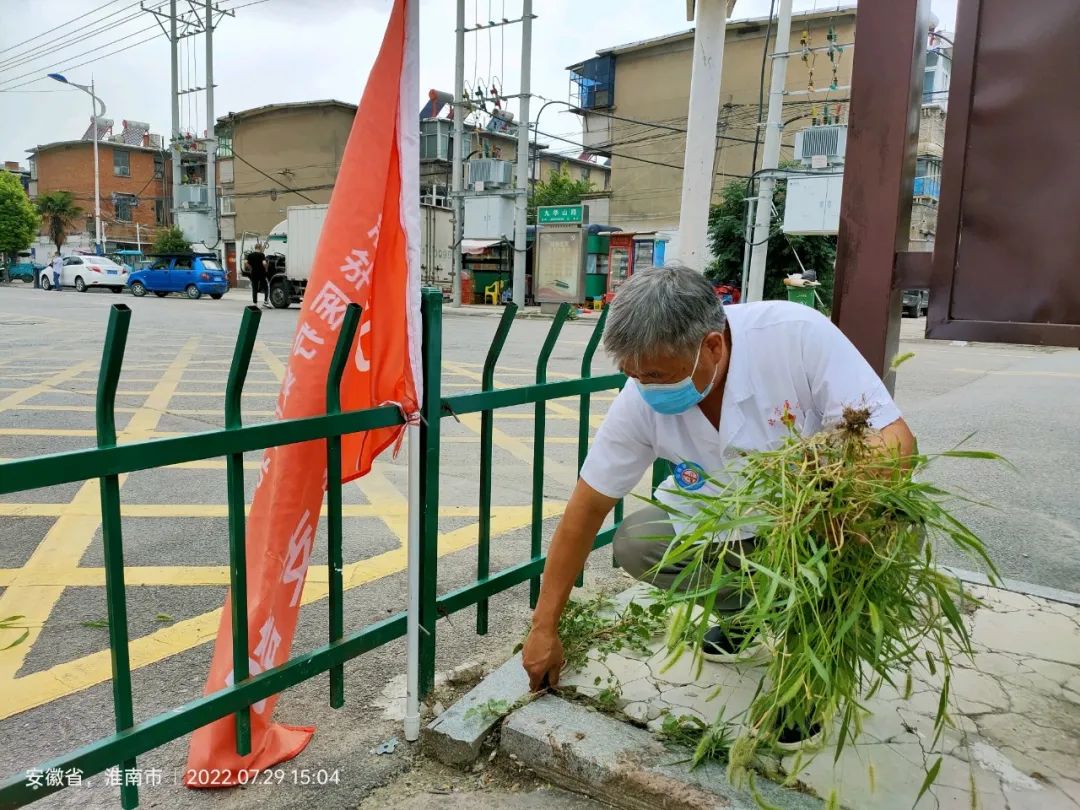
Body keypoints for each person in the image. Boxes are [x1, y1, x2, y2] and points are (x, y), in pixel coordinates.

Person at [521, 265, 915, 691]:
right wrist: (544, 626)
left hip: (812, 525)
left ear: (711, 347)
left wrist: (827, 502)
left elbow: (896, 442)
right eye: (634, 376)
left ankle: (810, 665)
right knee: (639, 543)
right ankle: (745, 616)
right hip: (725, 521)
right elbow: (586, 509)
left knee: (837, 561)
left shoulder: (794, 335)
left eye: (656, 375)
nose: (645, 388)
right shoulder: (640, 398)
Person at [244, 244, 270, 308]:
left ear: (255, 248)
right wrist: (266, 269)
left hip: (254, 274)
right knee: (266, 287)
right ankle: (266, 302)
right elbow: (264, 263)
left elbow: (246, 263)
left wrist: (251, 269)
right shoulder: (261, 255)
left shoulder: (250, 255)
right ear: (260, 248)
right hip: (261, 274)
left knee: (254, 288)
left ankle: (255, 303)